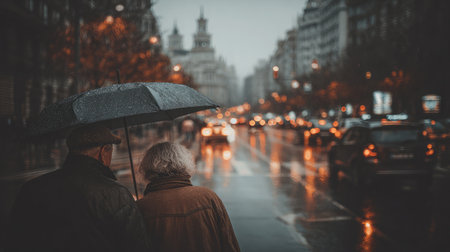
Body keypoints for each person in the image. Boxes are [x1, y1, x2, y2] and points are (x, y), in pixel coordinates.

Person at [5, 125, 150, 252]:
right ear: (104, 152)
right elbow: (136, 246)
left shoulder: (31, 189)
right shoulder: (116, 194)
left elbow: (14, 242)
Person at [137, 142, 240, 252]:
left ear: (147, 168)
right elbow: (229, 244)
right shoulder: (208, 197)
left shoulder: (140, 208)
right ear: (185, 163)